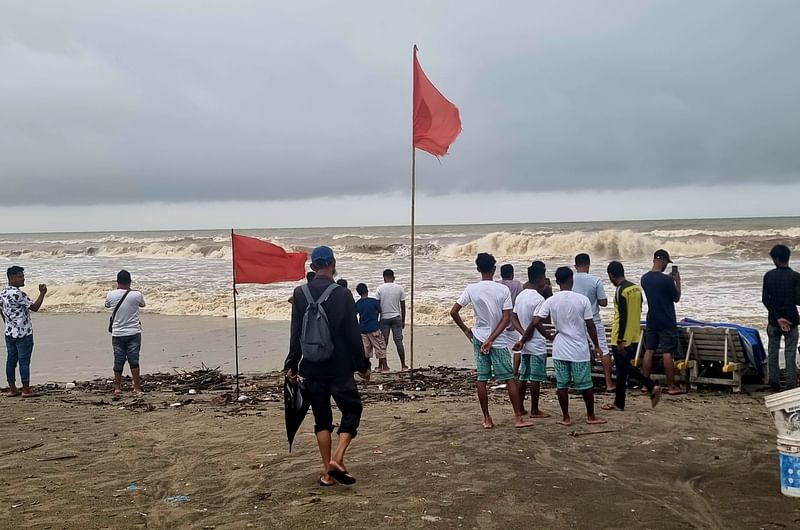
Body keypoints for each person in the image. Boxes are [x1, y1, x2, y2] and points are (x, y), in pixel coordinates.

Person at [285, 246, 370, 486]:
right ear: (333, 263)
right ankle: (338, 458)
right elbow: (353, 335)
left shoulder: (299, 293)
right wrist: (362, 365)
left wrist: (292, 363)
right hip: (339, 367)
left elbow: (296, 332)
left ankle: (326, 473)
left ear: (313, 267)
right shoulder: (342, 294)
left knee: (322, 419)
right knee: (352, 410)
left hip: (311, 367)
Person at [450, 253, 533, 429]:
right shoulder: (502, 289)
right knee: (509, 378)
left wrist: (466, 330)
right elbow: (506, 318)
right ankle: (518, 417)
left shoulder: (471, 288)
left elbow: (453, 312)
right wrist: (492, 339)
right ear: (494, 269)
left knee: (482, 378)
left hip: (479, 337)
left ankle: (487, 418)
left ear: (478, 269)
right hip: (499, 340)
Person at [516, 267, 606, 426]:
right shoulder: (582, 300)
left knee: (562, 385)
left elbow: (536, 322)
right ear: (572, 280)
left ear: (557, 282)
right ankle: (590, 416)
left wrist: (549, 336)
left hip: (560, 347)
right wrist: (596, 345)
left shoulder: (551, 300)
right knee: (585, 384)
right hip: (578, 348)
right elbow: (590, 326)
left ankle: (565, 417)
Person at [602, 261, 661, 410]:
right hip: (635, 335)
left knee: (625, 368)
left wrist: (620, 340)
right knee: (622, 371)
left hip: (621, 337)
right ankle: (619, 403)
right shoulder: (636, 288)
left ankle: (650, 386)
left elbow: (622, 316)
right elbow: (639, 309)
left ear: (611, 276)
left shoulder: (620, 290)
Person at [640, 249, 683, 395]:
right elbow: (676, 297)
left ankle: (645, 385)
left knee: (649, 350)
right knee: (667, 353)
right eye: (666, 262)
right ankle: (671, 386)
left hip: (652, 319)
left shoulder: (644, 278)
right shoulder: (666, 280)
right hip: (667, 320)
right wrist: (677, 282)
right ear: (663, 260)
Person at [511, 264, 550, 418]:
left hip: (524, 342)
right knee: (536, 377)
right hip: (536, 342)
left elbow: (513, 317)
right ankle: (534, 409)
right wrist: (547, 336)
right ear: (540, 278)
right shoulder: (539, 299)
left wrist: (521, 335)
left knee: (524, 375)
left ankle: (520, 407)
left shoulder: (521, 295)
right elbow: (536, 322)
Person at [0, 266, 46, 397]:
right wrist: (42, 293)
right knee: (24, 361)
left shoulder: (3, 292)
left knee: (11, 361)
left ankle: (13, 388)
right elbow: (35, 307)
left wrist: (8, 323)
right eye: (20, 276)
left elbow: (1, 309)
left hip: (9, 332)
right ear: (12, 278)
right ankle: (26, 390)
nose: (23, 279)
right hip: (23, 332)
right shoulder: (18, 293)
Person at [572, 253, 613, 392]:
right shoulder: (595, 280)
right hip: (593, 320)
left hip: (575, 321)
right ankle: (608, 383)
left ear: (575, 266)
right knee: (603, 350)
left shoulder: (570, 279)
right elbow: (603, 302)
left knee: (580, 350)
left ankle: (580, 382)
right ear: (588, 264)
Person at [762, 244, 800, 391]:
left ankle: (774, 383)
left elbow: (766, 300)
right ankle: (791, 384)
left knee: (773, 352)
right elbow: (798, 300)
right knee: (790, 352)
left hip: (774, 321)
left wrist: (778, 318)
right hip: (792, 320)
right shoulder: (796, 277)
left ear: (776, 259)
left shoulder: (769, 276)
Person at [105, 270, 146, 397]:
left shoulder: (110, 294)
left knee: (118, 360)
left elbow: (107, 305)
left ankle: (117, 388)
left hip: (117, 333)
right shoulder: (137, 294)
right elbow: (142, 304)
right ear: (130, 281)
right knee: (134, 361)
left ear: (117, 281)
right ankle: (137, 387)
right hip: (133, 332)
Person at [376, 269, 407, 370]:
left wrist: (377, 319)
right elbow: (403, 305)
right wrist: (403, 320)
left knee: (383, 343)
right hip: (396, 317)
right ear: (393, 277)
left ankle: (381, 366)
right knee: (398, 342)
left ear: (384, 277)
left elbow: (377, 306)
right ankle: (403, 365)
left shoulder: (380, 288)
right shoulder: (399, 288)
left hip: (384, 318)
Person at [355, 283, 389, 372]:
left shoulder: (358, 303)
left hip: (363, 329)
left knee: (366, 350)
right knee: (380, 347)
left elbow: (355, 314)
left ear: (358, 293)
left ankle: (368, 368)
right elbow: (380, 311)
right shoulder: (373, 301)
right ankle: (385, 367)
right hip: (374, 327)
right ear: (367, 290)